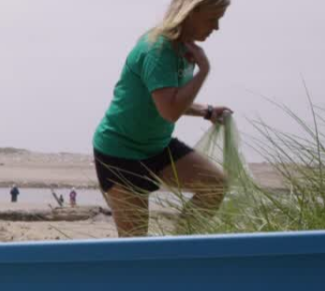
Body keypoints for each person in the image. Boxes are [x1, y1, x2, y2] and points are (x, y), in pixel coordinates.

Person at [93, 0, 231, 237]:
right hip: (120, 154)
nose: (216, 27)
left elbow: (168, 98)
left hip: (157, 148)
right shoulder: (157, 50)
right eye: (212, 18)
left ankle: (179, 252)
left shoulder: (183, 48)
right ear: (191, 12)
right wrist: (204, 71)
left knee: (215, 185)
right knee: (136, 249)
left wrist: (206, 111)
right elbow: (170, 110)